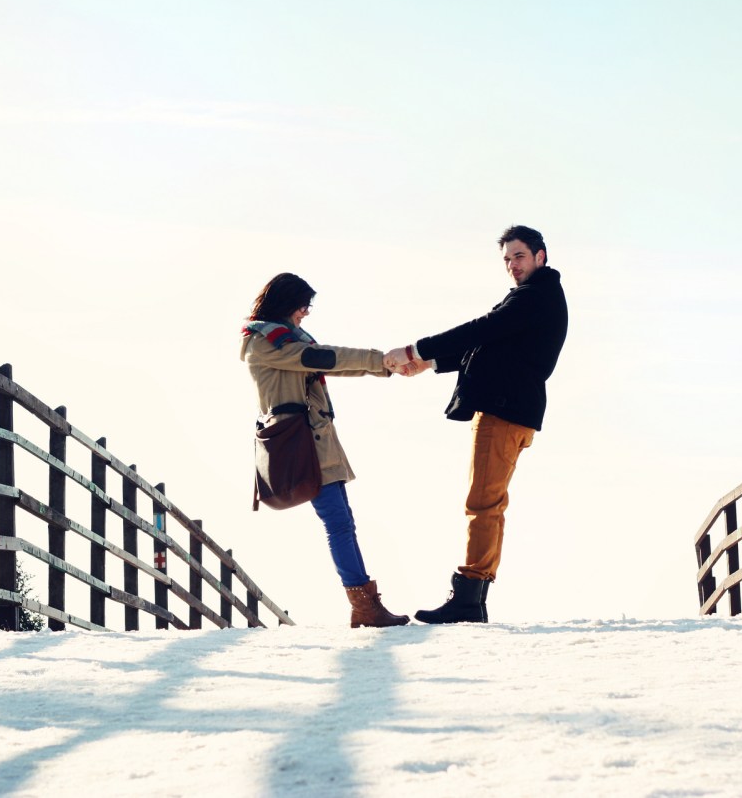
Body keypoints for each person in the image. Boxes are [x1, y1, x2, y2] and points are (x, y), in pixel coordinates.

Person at [383, 225, 568, 623]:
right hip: (515, 409)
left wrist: (416, 349)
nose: (511, 266)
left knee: (482, 503)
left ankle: (468, 598)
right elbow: (491, 343)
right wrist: (429, 363)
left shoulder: (535, 297)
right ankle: (474, 596)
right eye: (506, 259)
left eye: (518, 256)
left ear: (541, 256)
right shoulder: (535, 298)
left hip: (503, 410)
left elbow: (482, 329)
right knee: (490, 503)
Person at [241, 272, 409, 628]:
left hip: (314, 437)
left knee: (342, 521)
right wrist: (381, 360)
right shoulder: (268, 342)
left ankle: (365, 604)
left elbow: (321, 362)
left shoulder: (282, 340)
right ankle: (364, 604)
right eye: (304, 306)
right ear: (288, 303)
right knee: (337, 522)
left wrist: (383, 368)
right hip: (301, 441)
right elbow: (322, 358)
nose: (306, 313)